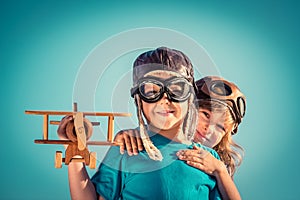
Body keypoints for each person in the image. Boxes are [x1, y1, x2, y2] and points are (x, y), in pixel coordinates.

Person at [58, 47, 221, 199]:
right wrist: (75, 152)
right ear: (139, 99)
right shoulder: (127, 149)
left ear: (190, 96)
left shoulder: (208, 159)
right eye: (151, 92)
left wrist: (220, 171)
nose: (165, 99)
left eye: (176, 90)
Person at [114, 76, 246, 200]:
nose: (209, 129)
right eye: (206, 115)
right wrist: (127, 136)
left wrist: (220, 171)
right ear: (188, 108)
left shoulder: (215, 165)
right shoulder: (150, 142)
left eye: (220, 127)